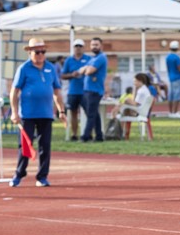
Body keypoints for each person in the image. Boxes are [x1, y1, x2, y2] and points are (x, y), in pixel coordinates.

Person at [9, 38, 66, 187]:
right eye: (37, 52)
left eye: (43, 52)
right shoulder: (24, 68)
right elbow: (14, 92)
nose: (40, 55)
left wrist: (61, 110)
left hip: (46, 113)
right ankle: (19, 174)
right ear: (30, 52)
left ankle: (42, 176)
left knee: (45, 145)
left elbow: (57, 91)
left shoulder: (50, 68)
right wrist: (14, 112)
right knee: (25, 146)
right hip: (28, 114)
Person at [78, 37, 107, 142]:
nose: (94, 47)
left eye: (96, 44)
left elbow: (88, 71)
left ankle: (85, 136)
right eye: (92, 45)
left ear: (101, 46)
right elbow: (81, 70)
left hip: (95, 90)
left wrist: (87, 69)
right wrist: (86, 69)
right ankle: (99, 136)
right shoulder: (92, 59)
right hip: (88, 89)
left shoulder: (101, 58)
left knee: (90, 114)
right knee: (94, 114)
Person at [60, 39, 90, 141]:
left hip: (86, 90)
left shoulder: (88, 59)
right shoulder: (69, 60)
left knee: (88, 113)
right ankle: (74, 134)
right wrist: (72, 75)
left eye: (80, 46)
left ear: (83, 48)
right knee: (73, 113)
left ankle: (87, 133)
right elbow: (63, 75)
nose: (78, 48)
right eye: (76, 46)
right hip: (73, 91)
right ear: (73, 48)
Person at [165, 41, 180, 117]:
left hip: (170, 77)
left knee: (171, 96)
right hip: (177, 78)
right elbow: (179, 68)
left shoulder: (168, 57)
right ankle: (175, 112)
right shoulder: (176, 57)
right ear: (177, 48)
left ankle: (170, 112)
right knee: (177, 96)